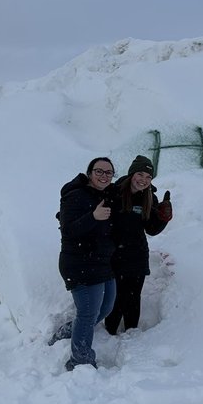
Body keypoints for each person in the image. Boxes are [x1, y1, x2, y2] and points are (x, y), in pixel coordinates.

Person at [57, 157, 118, 371]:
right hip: (79, 264)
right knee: (88, 313)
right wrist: (93, 216)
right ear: (90, 173)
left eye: (109, 172)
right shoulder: (75, 195)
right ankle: (80, 360)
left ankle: (68, 331)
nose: (104, 176)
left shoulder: (106, 194)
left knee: (106, 307)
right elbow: (68, 230)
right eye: (99, 171)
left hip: (101, 262)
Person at [103, 154, 172, 336]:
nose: (144, 180)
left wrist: (163, 218)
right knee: (115, 298)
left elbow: (151, 229)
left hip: (137, 255)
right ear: (132, 173)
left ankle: (132, 335)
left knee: (133, 298)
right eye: (140, 174)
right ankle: (109, 334)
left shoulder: (149, 197)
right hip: (114, 255)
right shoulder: (113, 192)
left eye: (149, 177)